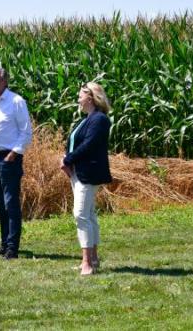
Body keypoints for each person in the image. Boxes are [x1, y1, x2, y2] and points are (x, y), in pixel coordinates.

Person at [60, 82, 113, 276]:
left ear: (91, 97)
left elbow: (89, 145)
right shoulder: (87, 118)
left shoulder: (99, 119)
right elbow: (76, 143)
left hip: (88, 173)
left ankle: (87, 263)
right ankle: (93, 258)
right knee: (89, 215)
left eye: (80, 96)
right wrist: (68, 161)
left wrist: (68, 159)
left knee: (80, 214)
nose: (78, 99)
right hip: (78, 172)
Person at [0, 66, 32, 260]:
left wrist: (13, 153)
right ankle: (4, 244)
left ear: (5, 81)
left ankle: (13, 247)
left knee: (11, 202)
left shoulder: (16, 101)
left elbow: (26, 131)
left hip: (9, 158)